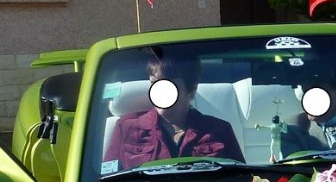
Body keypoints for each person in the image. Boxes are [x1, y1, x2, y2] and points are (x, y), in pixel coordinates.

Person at [104, 56, 243, 171]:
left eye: (169, 85)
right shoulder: (127, 127)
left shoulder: (219, 130)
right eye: (154, 83)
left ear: (192, 91)